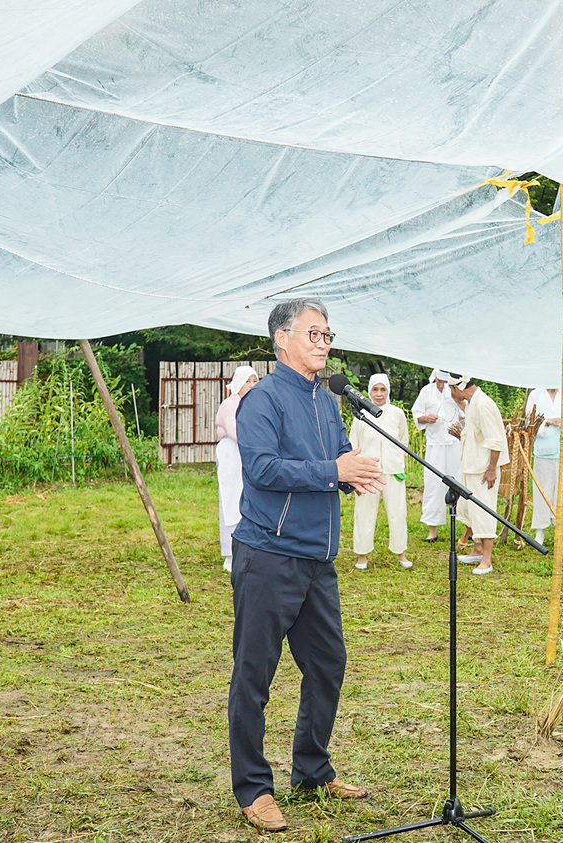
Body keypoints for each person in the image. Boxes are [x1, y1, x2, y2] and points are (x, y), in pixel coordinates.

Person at [229, 298, 383, 833]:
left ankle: (312, 771)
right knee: (255, 673)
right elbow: (264, 468)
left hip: (318, 559)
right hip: (269, 555)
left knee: (327, 664)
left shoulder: (327, 399)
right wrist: (333, 469)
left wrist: (353, 472)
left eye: (327, 334)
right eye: (314, 333)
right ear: (282, 339)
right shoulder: (262, 399)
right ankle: (253, 788)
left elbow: (337, 456)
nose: (324, 342)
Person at [447, 375, 508, 575]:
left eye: (451, 388)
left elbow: (496, 440)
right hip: (471, 466)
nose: (450, 393)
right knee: (469, 510)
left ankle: (487, 560)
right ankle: (478, 549)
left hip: (483, 469)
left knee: (484, 511)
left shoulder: (483, 405)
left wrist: (491, 468)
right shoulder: (473, 403)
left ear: (458, 387)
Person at [350, 373, 411, 570]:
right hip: (368, 473)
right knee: (365, 513)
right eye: (375, 389)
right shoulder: (361, 415)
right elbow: (354, 446)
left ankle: (401, 553)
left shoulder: (397, 414)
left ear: (388, 391)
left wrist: (397, 462)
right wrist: (358, 474)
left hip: (393, 471)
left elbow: (404, 441)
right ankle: (362, 555)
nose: (378, 394)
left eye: (382, 389)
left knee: (397, 513)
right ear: (369, 391)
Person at [524, 385, 563, 547]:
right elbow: (530, 420)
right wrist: (548, 422)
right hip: (543, 451)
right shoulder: (535, 394)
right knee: (542, 490)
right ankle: (540, 532)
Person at [215, 365, 259, 574]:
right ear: (238, 383)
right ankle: (230, 553)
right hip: (232, 454)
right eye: (247, 381)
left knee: (251, 498)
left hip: (252, 454)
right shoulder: (229, 404)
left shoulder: (257, 404)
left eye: (254, 381)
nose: (251, 385)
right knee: (231, 498)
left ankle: (249, 547)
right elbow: (235, 432)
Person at [411, 369, 463, 542]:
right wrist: (427, 418)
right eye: (439, 381)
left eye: (444, 381)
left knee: (460, 482)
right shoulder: (427, 391)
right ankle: (432, 529)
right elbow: (417, 414)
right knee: (433, 484)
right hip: (435, 444)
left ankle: (466, 528)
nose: (441, 384)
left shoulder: (455, 390)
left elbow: (466, 412)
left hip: (455, 443)